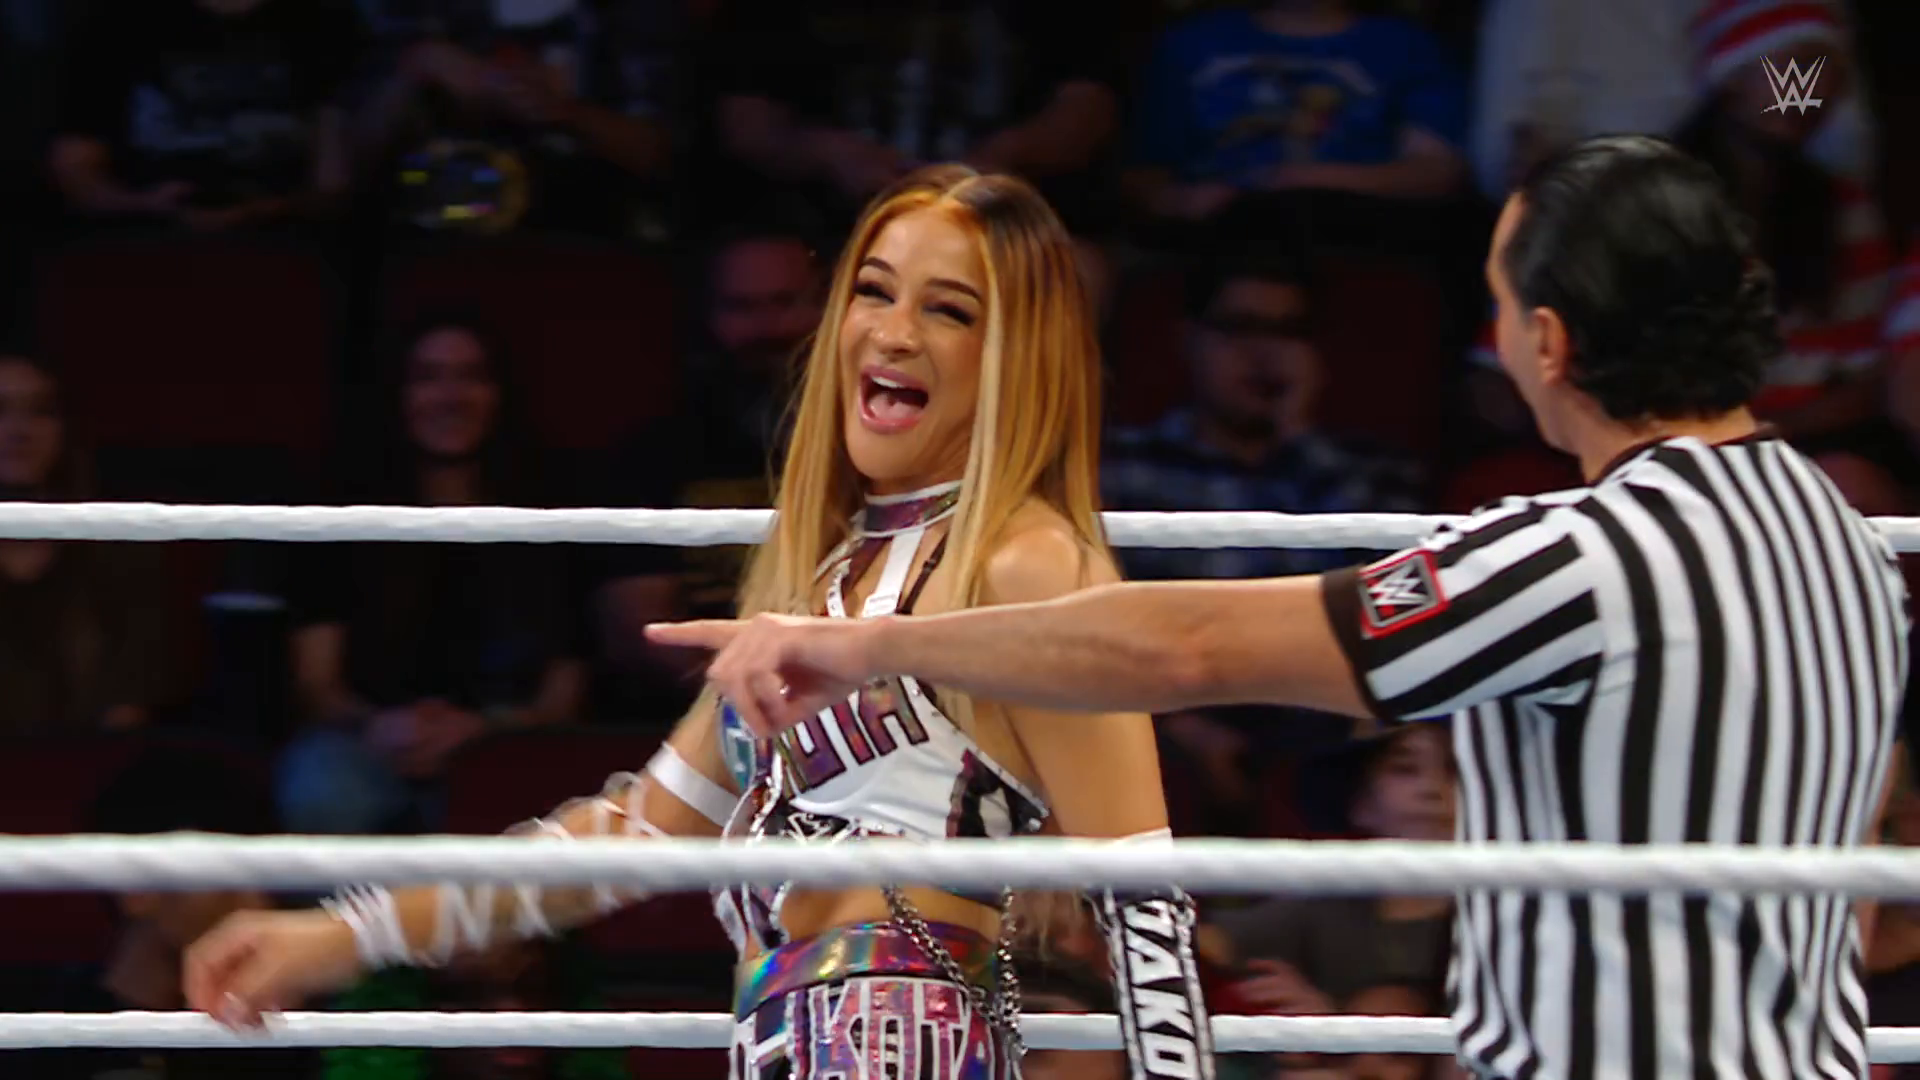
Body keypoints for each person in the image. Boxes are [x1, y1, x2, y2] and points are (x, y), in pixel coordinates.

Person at [652, 136, 1914, 1080]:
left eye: (1493, 302)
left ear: (1548, 341)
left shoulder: (1576, 559)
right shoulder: (1853, 554)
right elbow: (1849, 887)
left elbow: (1190, 646)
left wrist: (868, 640)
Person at [183, 167, 1217, 1080]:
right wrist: (342, 935)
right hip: (782, 1033)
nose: (894, 332)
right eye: (873, 290)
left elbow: (1143, 902)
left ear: (1017, 355)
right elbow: (630, 833)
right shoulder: (822, 584)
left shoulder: (1029, 560)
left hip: (915, 1034)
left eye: (949, 310)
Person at [276, 313, 584, 834]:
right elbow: (316, 685)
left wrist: (486, 730)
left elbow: (565, 691)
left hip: (512, 737)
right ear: (397, 396)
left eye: (471, 377)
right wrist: (382, 726)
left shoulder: (550, 508)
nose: (451, 397)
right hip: (367, 737)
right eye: (428, 377)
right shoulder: (339, 511)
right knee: (327, 792)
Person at [0, 352, 184, 734]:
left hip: (89, 761)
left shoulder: (121, 548)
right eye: (0, 410)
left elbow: (128, 708)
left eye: (41, 412)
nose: (18, 430)